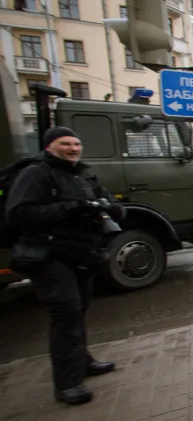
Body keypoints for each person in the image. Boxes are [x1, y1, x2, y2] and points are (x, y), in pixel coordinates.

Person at [5, 127, 122, 405]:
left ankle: (82, 362)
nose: (72, 148)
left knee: (78, 309)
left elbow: (108, 203)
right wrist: (71, 208)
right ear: (49, 147)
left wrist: (110, 208)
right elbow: (18, 213)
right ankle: (67, 383)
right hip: (48, 254)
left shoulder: (82, 173)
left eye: (76, 143)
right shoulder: (36, 173)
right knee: (66, 314)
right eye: (65, 143)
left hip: (79, 252)